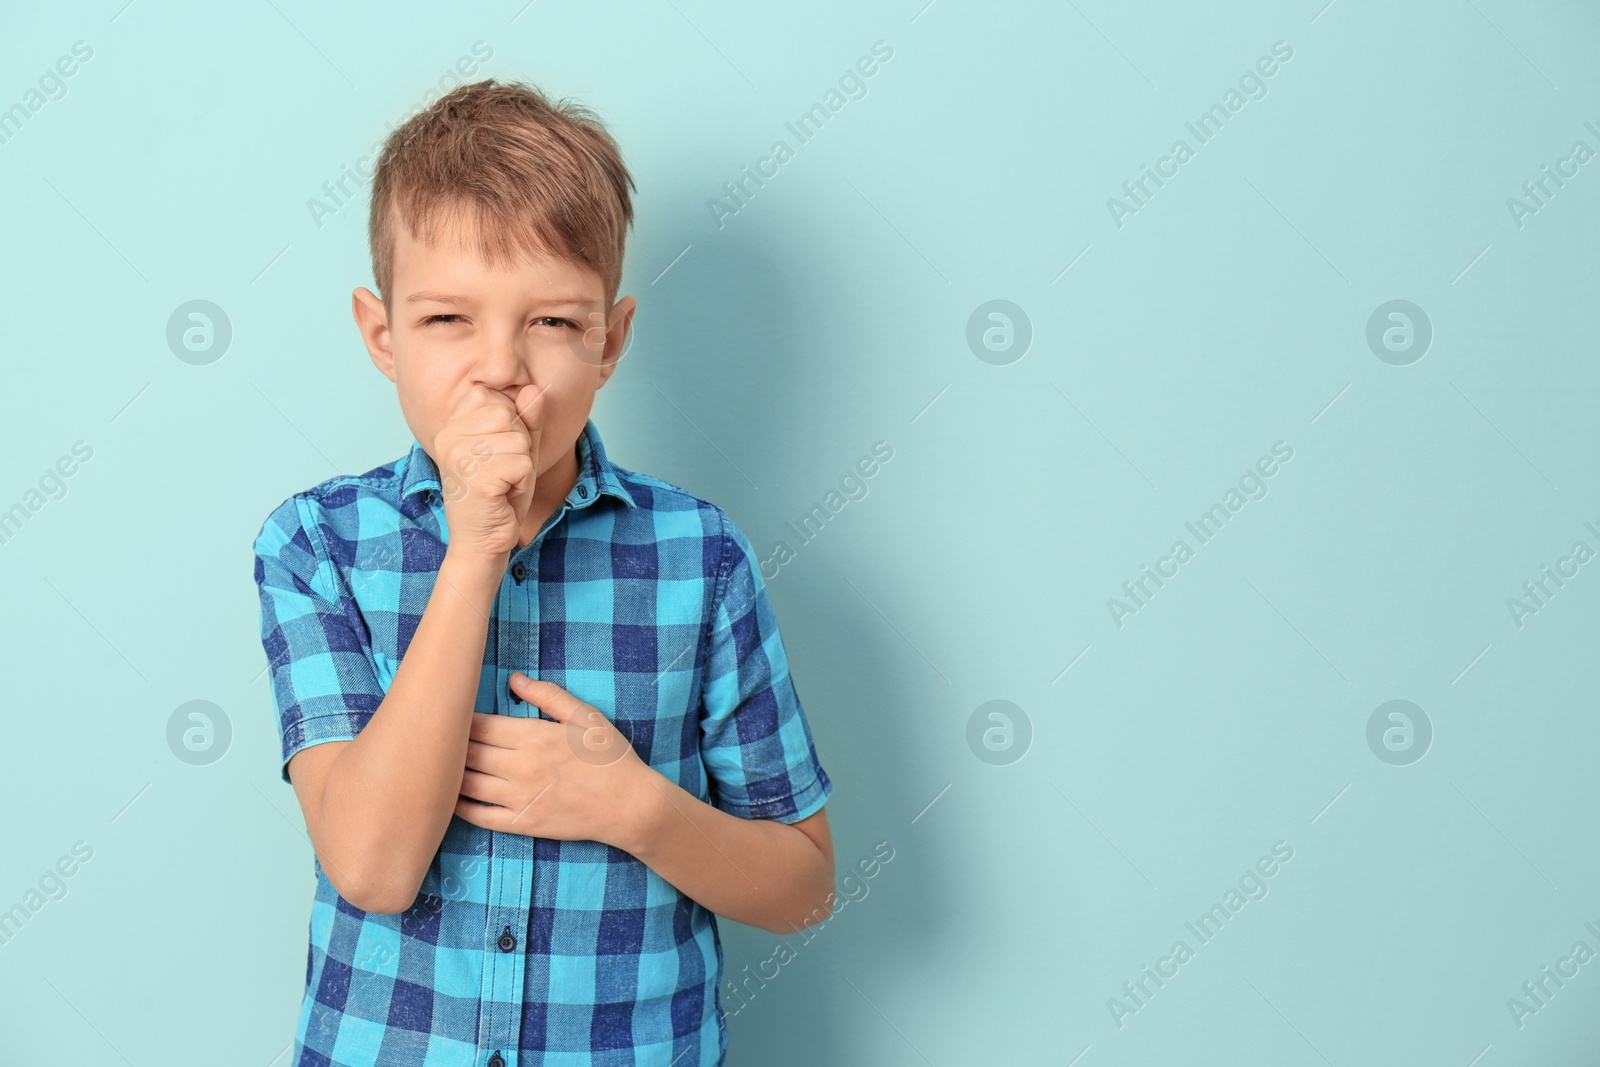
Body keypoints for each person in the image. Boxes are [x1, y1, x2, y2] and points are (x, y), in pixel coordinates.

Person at [251, 78, 835, 1067]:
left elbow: (805, 884)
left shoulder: (702, 559)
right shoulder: (316, 546)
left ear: (610, 339)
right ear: (381, 334)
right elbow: (374, 863)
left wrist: (636, 809)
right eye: (447, 320)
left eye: (553, 323)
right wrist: (476, 547)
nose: (500, 368)